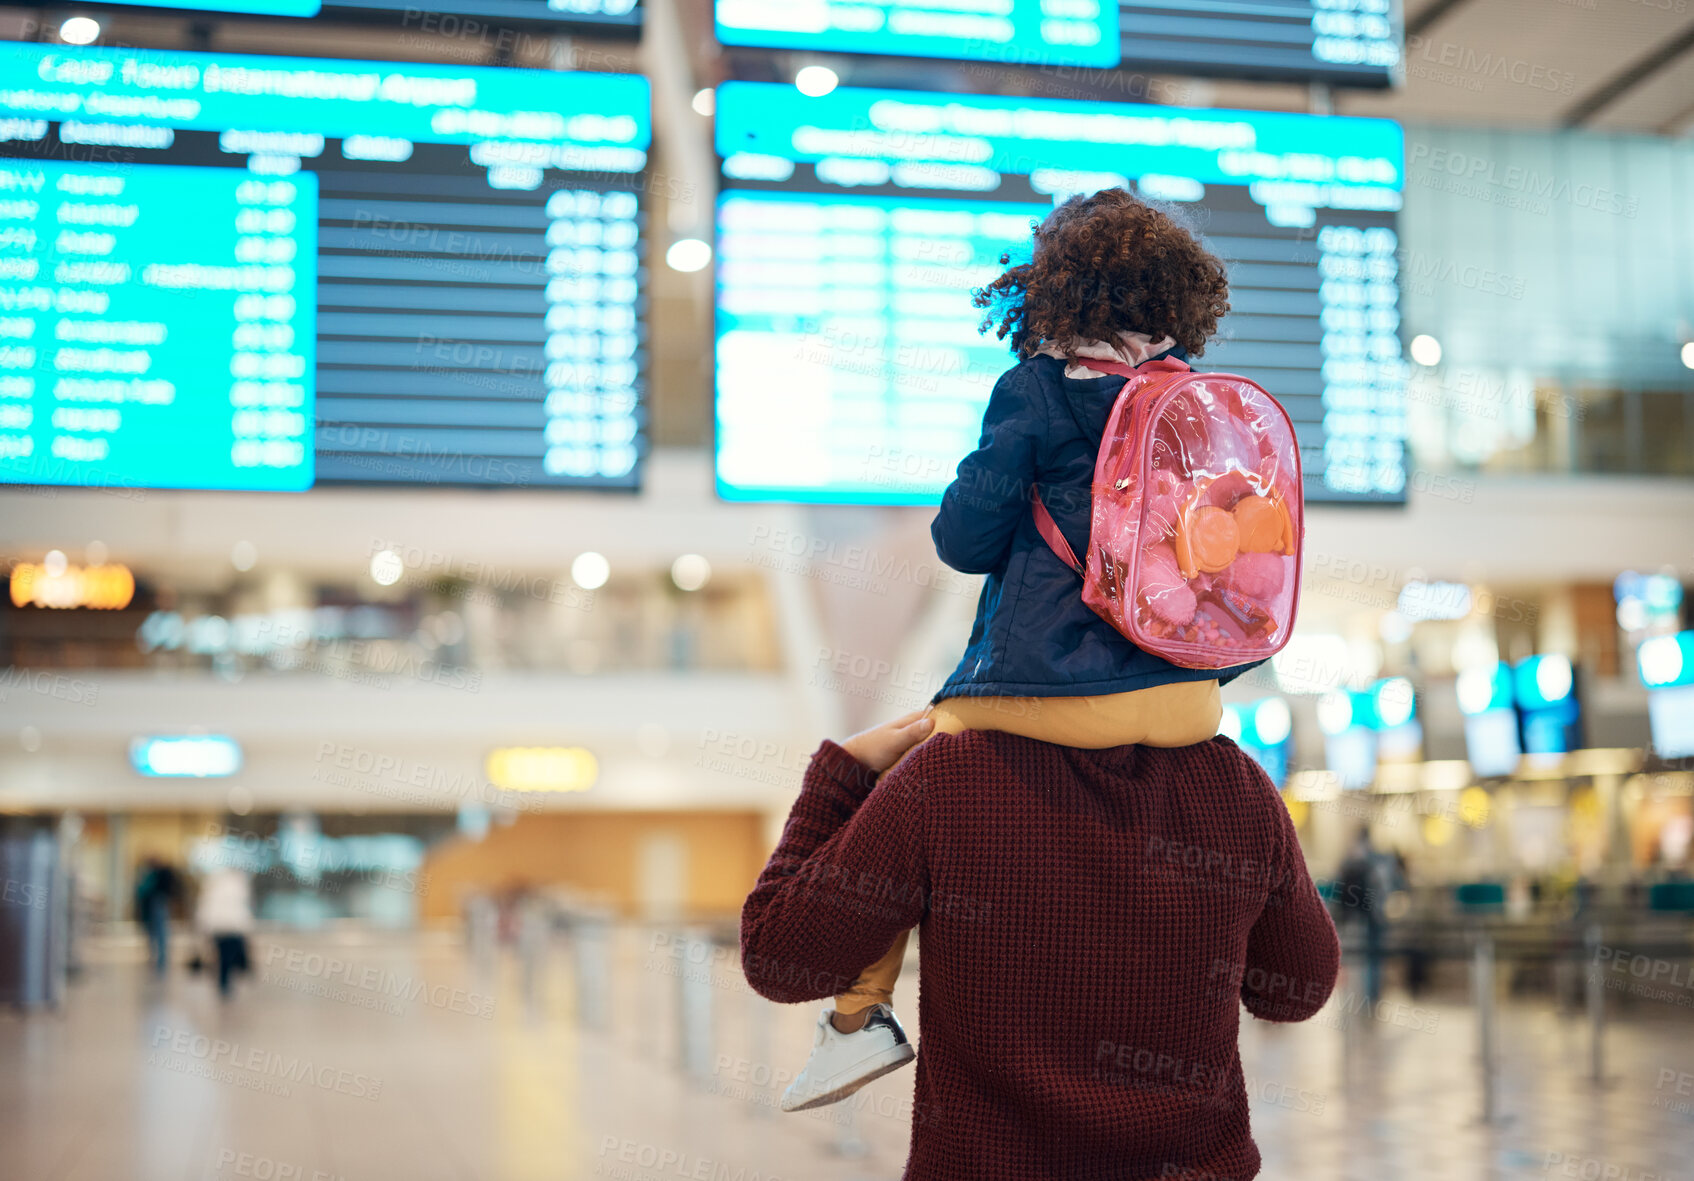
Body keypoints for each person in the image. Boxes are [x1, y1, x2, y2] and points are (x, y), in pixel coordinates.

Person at [770, 187, 1272, 1114]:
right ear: (1178, 300)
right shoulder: (1201, 407)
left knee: (902, 769)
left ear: (1053, 295)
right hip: (1189, 699)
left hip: (1039, 691)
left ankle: (858, 1019)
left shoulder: (1036, 390)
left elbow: (963, 539)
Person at [742, 710, 1339, 1179]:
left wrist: (840, 773)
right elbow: (1297, 991)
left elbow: (779, 957)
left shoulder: (946, 777)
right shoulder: (1236, 786)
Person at [194, 865, 254, 999]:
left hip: (219, 927)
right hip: (233, 927)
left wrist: (204, 926)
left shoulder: (213, 888)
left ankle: (224, 981)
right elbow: (243, 909)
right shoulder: (238, 888)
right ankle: (226, 981)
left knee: (223, 956)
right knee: (229, 956)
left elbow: (206, 908)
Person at [134, 857, 181, 977]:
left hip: (156, 904)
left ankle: (159, 958)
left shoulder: (154, 875)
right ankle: (160, 958)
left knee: (158, 932)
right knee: (160, 932)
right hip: (158, 904)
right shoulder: (159, 874)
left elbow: (143, 890)